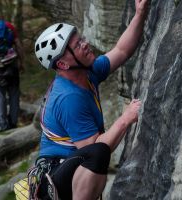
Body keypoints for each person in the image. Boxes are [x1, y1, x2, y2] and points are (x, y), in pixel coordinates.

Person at [32, 0, 148, 199]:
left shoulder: (86, 72)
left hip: (71, 169)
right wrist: (125, 119)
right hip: (55, 181)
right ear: (63, 63)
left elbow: (121, 51)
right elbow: (93, 149)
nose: (85, 44)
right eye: (78, 45)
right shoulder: (69, 98)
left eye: (82, 39)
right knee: (97, 154)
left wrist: (140, 14)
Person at [0, 18, 24, 132]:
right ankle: (13, 123)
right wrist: (22, 62)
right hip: (12, 64)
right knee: (14, 94)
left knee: (0, 96)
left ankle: (2, 125)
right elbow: (18, 45)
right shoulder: (9, 26)